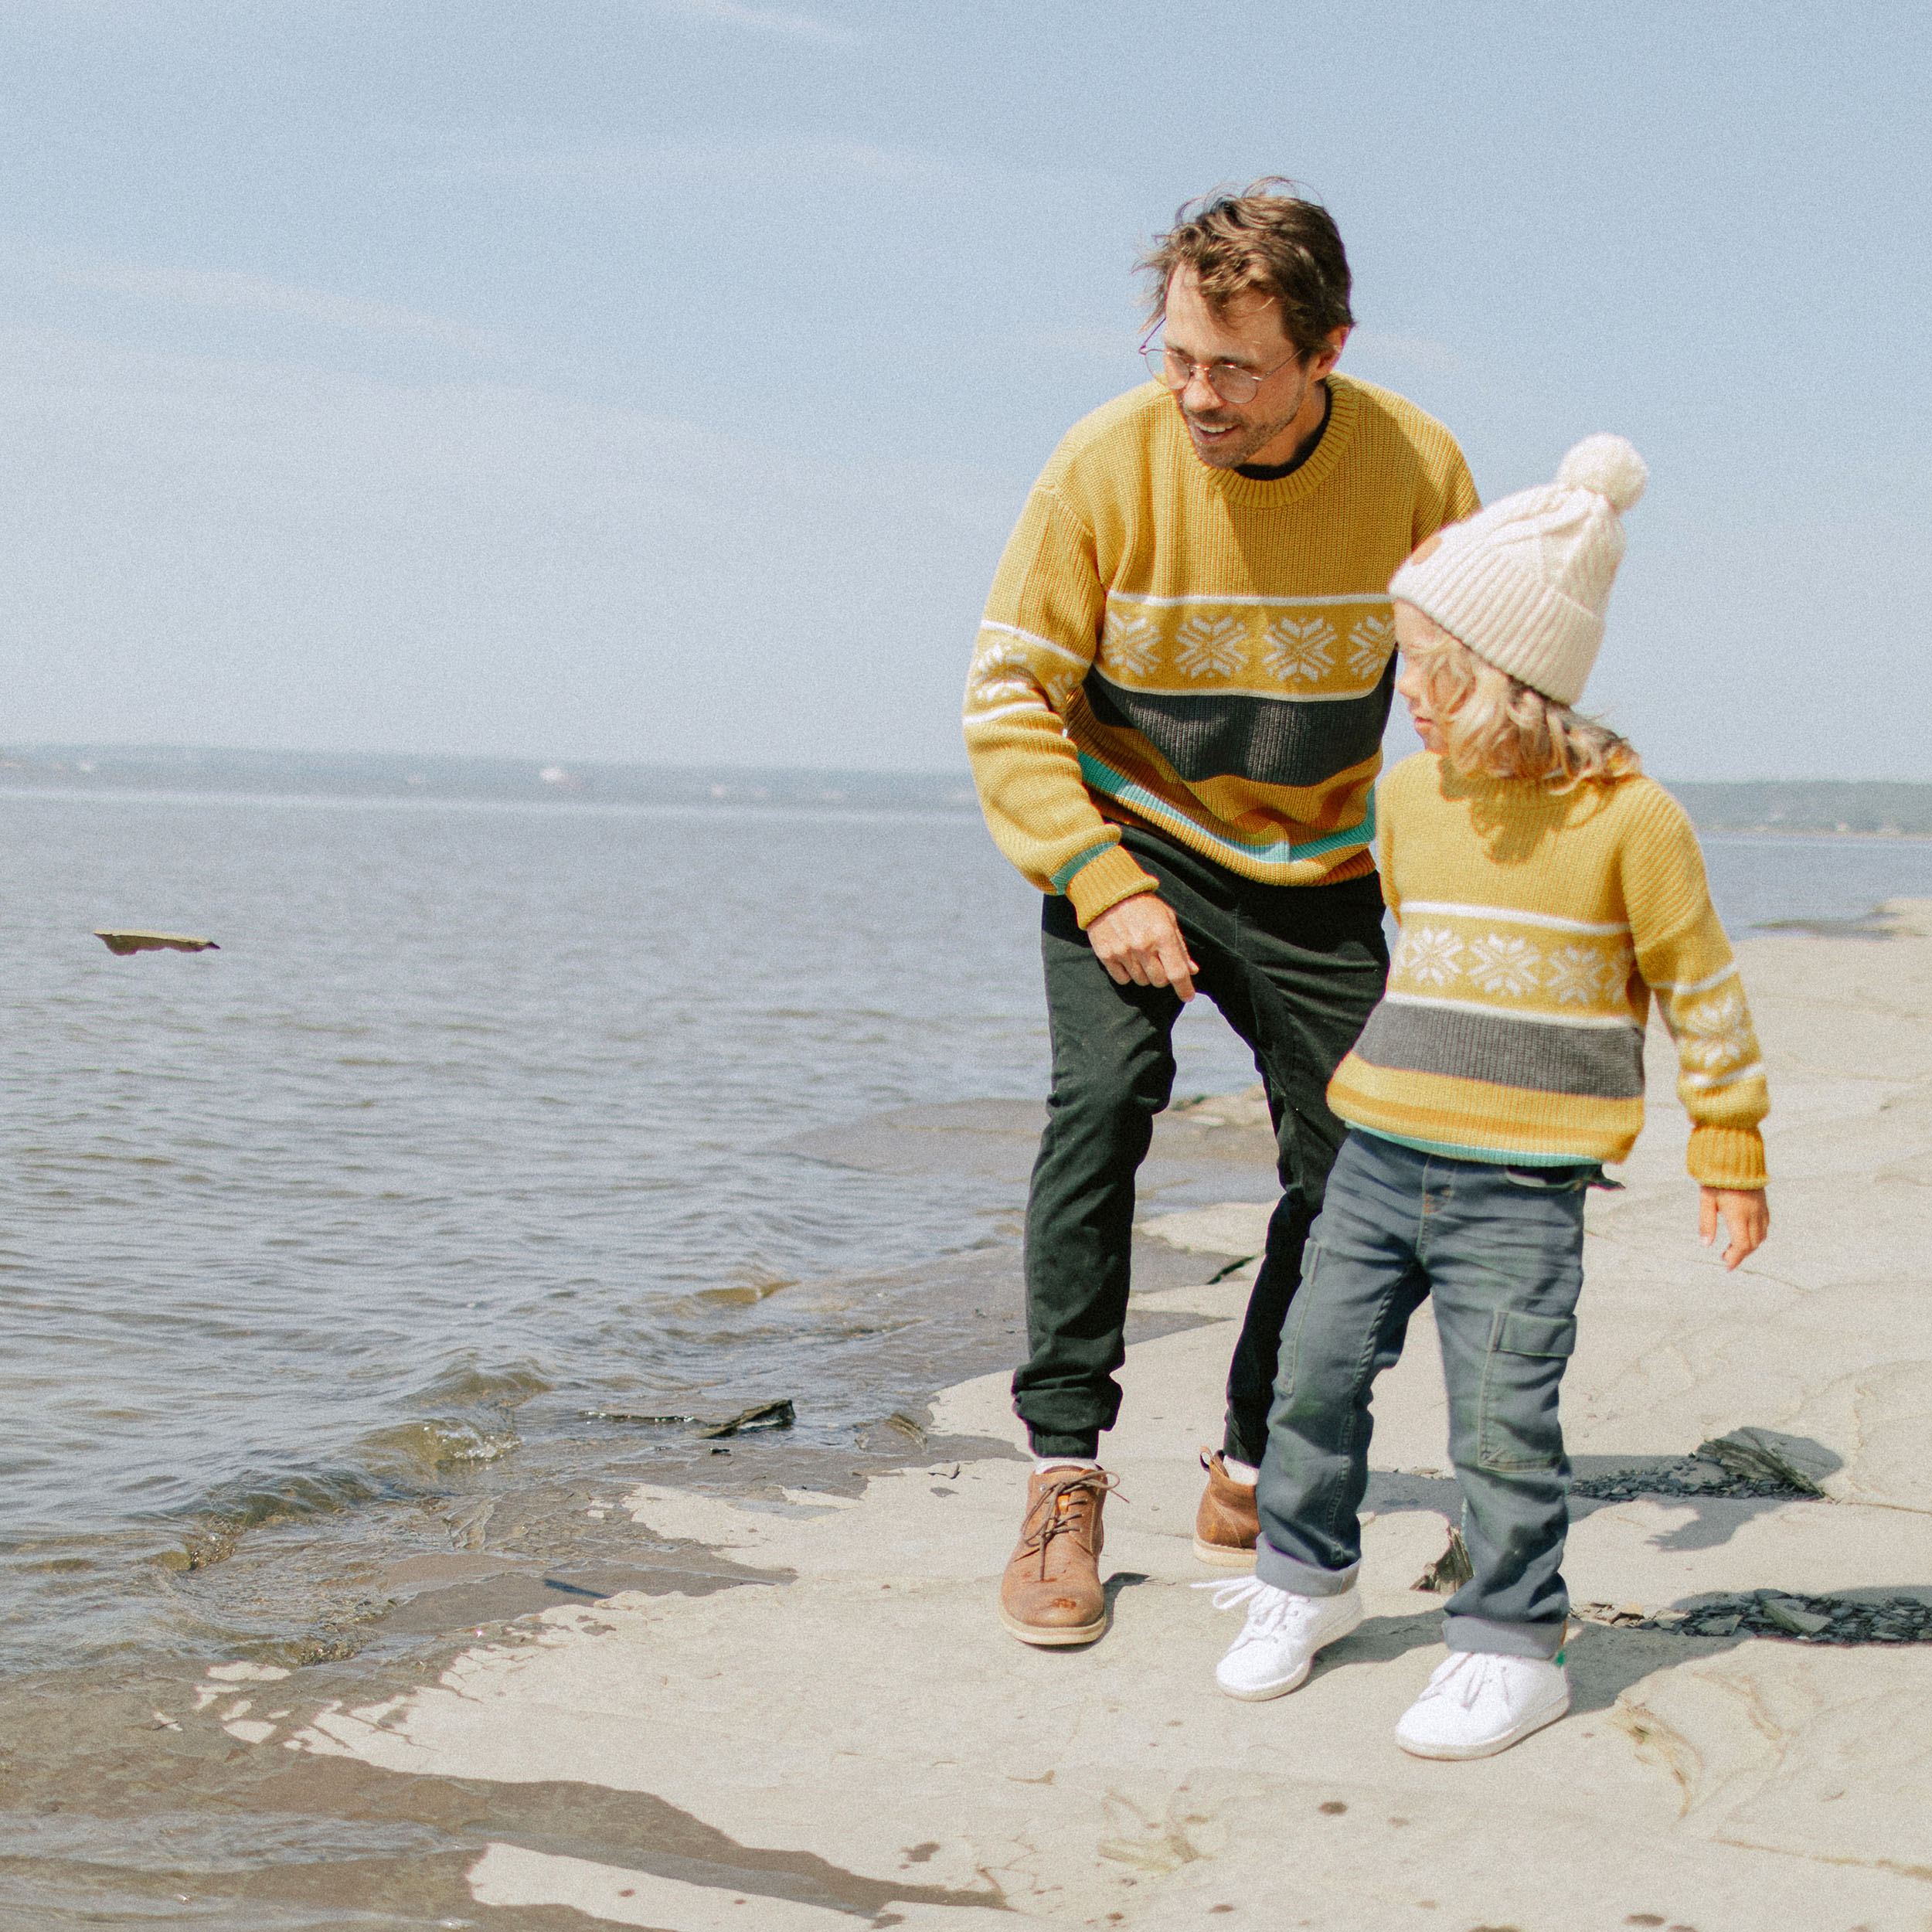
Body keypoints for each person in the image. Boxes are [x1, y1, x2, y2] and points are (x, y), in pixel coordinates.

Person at [963, 181, 1478, 1646]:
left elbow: (1463, 697)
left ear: (1326, 350)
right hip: (1129, 833)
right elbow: (1009, 701)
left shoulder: (1413, 466)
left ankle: (1252, 1452)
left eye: (1236, 366)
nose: (1198, 393)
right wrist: (1099, 876)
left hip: (1315, 865)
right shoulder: (1100, 466)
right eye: (1177, 354)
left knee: (1361, 1169)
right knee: (1104, 1100)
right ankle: (1065, 1475)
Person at [1203, 434, 1771, 1758]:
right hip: (1381, 1152)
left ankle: (1517, 1644)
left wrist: (1730, 1145)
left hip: (1523, 1188)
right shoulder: (1406, 800)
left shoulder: (1636, 822)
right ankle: (1304, 1578)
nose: (1410, 696)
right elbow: (1425, 950)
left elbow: (1704, 989)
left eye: (1434, 671)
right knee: (1313, 1372)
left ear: (1515, 681)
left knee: (1503, 1423)